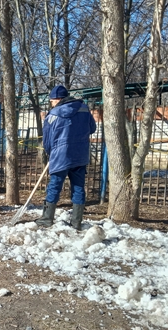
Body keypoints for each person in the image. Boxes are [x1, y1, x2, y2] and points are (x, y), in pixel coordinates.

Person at [36, 85, 97, 230]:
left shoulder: (53, 115)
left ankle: (47, 218)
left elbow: (48, 140)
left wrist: (50, 152)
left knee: (55, 186)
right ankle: (76, 222)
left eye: (52, 100)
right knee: (78, 187)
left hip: (60, 156)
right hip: (80, 154)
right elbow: (92, 129)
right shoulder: (84, 109)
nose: (51, 103)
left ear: (57, 99)